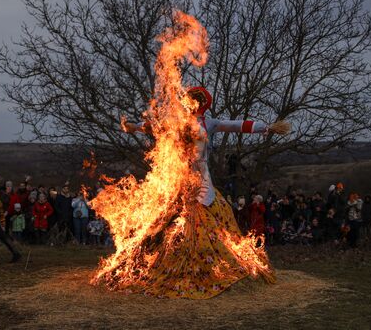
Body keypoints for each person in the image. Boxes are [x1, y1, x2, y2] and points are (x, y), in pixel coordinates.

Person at [116, 83, 290, 298]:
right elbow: (154, 126)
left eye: (192, 100)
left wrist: (267, 127)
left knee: (206, 214)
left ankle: (208, 261)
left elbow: (238, 125)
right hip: (178, 174)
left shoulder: (210, 123)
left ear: (199, 104)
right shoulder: (176, 122)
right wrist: (134, 126)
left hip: (200, 176)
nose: (187, 104)